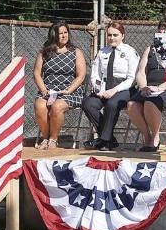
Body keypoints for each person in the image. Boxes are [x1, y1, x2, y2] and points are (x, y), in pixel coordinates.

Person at [82, 21, 139, 151]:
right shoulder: (102, 52)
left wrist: (114, 90)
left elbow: (132, 79)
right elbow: (95, 74)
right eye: (109, 35)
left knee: (112, 104)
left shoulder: (130, 52)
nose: (112, 38)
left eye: (115, 35)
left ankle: (104, 140)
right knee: (88, 103)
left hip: (124, 88)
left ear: (122, 36)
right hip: (104, 87)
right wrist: (100, 90)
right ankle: (108, 139)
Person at [33, 21, 86, 149]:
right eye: (60, 33)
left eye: (65, 33)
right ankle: (45, 138)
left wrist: (69, 90)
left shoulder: (76, 52)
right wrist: (44, 90)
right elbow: (37, 73)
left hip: (70, 92)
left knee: (57, 106)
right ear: (54, 35)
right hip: (49, 91)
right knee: (40, 105)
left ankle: (53, 139)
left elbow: (81, 75)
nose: (63, 36)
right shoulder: (44, 52)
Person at [127, 18, 166, 152]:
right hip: (149, 88)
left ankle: (155, 138)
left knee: (150, 103)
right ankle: (147, 136)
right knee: (132, 105)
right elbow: (141, 71)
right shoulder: (150, 49)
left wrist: (160, 88)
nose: (164, 31)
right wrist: (143, 87)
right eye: (162, 28)